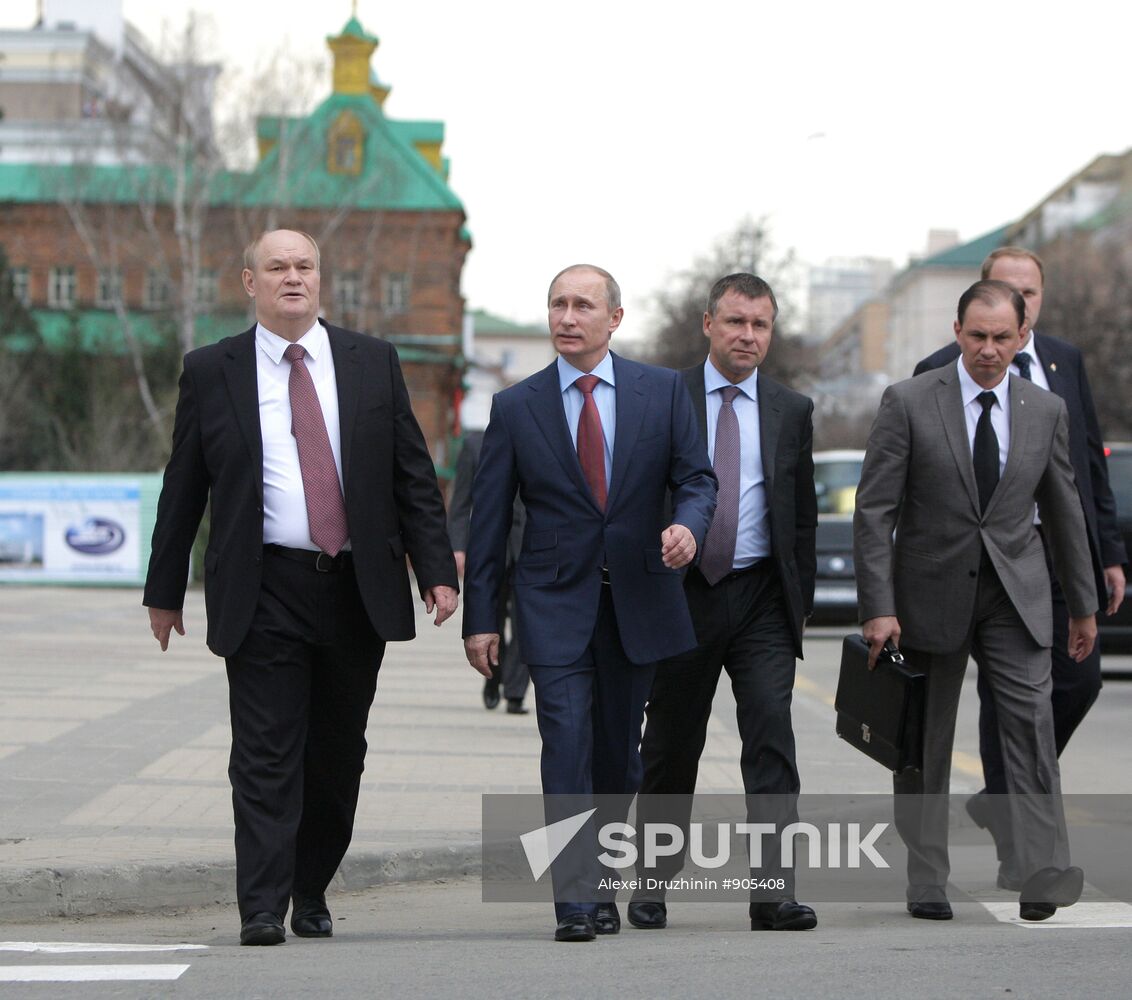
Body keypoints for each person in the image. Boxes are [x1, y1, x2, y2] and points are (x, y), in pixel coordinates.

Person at [143, 229, 458, 946]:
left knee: (337, 755)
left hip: (355, 588)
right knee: (264, 752)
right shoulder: (212, 369)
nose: (293, 277)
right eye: (277, 266)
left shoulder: (372, 361)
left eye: (305, 266)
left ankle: (309, 886)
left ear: (321, 278)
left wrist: (437, 572)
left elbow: (411, 474)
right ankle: (261, 905)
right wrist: (164, 590)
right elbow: (183, 486)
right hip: (263, 587)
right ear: (249, 282)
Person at [461, 264, 716, 942]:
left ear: (615, 319)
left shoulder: (661, 392)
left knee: (619, 755)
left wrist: (689, 526)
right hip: (552, 602)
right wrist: (481, 620)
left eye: (582, 305)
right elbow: (489, 522)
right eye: (558, 304)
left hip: (638, 599)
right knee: (566, 742)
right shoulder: (517, 406)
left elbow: (697, 479)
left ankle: (601, 881)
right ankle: (574, 901)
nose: (567, 317)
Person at [854, 279, 1097, 923]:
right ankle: (926, 876)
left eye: (1002, 337)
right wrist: (878, 606)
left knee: (1031, 729)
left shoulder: (1044, 409)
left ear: (1022, 338)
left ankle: (1042, 869)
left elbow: (1064, 510)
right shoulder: (909, 401)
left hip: (1016, 594)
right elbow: (875, 511)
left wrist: (1083, 604)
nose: (989, 349)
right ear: (957, 332)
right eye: (978, 335)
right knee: (926, 742)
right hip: (928, 594)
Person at [913, 247, 1127, 887]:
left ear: (1033, 308)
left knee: (1064, 691)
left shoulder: (1062, 368)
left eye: (1027, 294)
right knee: (974, 712)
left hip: (1041, 563)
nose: (1017, 304)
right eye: (1005, 292)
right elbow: (894, 499)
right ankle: (996, 862)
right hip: (956, 575)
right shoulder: (931, 377)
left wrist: (1103, 563)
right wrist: (886, 599)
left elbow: (1082, 472)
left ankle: (1016, 823)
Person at [628, 273, 818, 932]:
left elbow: (801, 515)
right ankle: (652, 883)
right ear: (708, 324)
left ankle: (773, 893)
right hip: (682, 595)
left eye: (760, 324)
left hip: (762, 596)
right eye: (735, 321)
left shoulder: (792, 410)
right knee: (671, 743)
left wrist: (799, 602)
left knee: (771, 738)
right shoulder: (663, 397)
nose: (747, 336)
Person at [447, 428, 530, 714]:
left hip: (529, 549)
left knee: (525, 623)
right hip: (490, 551)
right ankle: (494, 677)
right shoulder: (474, 446)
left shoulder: (539, 438)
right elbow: (460, 504)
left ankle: (516, 692)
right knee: (490, 620)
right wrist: (458, 547)